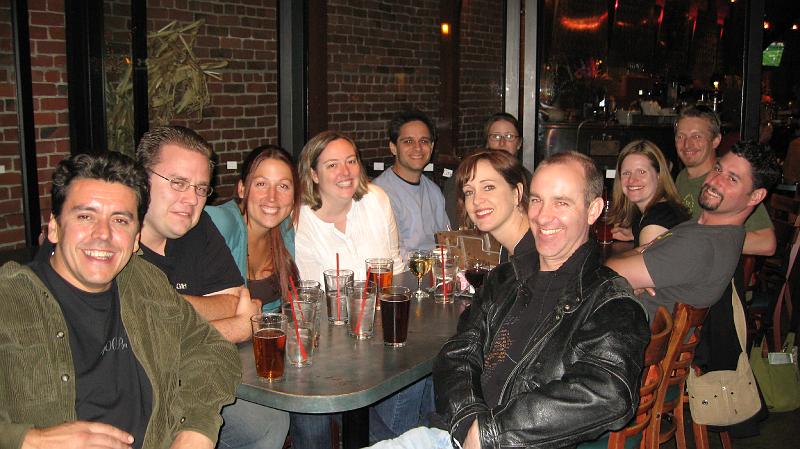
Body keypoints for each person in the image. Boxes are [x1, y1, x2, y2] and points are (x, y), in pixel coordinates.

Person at [369, 151, 650, 449]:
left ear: (593, 210)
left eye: (561, 203)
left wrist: (490, 434)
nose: (543, 216)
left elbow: (608, 392)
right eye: (538, 200)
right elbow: (458, 352)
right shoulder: (504, 279)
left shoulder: (611, 300)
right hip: (455, 435)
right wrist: (470, 423)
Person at [0, 152, 240, 449]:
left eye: (120, 220)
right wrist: (31, 440)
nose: (103, 234)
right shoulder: (10, 299)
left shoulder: (145, 284)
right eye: (86, 216)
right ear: (54, 227)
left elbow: (211, 349)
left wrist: (197, 428)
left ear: (136, 237)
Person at [135, 126, 289, 449]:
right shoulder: (116, 240)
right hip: (141, 387)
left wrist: (167, 311)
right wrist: (236, 327)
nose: (191, 199)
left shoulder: (199, 226)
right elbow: (143, 339)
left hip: (199, 372)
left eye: (201, 188)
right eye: (178, 183)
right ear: (142, 179)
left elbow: (235, 300)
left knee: (269, 421)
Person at [293, 130, 405, 448]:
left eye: (351, 161)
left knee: (417, 379)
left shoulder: (376, 200)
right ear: (313, 174)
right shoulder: (299, 220)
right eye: (332, 165)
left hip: (381, 332)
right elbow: (314, 299)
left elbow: (396, 269)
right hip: (328, 344)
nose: (345, 172)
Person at [607, 141, 781, 320]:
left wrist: (629, 265)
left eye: (732, 179)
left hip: (624, 329)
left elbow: (608, 273)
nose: (715, 181)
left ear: (756, 196)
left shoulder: (700, 243)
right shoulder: (709, 230)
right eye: (717, 169)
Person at [206, 145, 299, 314]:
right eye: (261, 184)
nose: (272, 197)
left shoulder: (285, 229)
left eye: (283, 186)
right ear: (242, 189)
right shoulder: (220, 223)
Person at [673, 106, 776, 256]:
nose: (687, 144)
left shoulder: (729, 184)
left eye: (697, 137)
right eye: (680, 137)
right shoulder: (682, 177)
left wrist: (699, 239)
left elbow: (767, 243)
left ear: (716, 141)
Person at [373, 110, 449, 259]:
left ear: (432, 147)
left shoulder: (434, 191)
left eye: (424, 141)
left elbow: (446, 241)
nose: (418, 148)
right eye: (408, 141)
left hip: (435, 268)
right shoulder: (379, 194)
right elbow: (391, 255)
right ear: (393, 147)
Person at [445, 112, 528, 228]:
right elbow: (455, 222)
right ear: (487, 142)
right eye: (495, 137)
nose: (502, 143)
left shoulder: (528, 179)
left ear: (519, 143)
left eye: (509, 136)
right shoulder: (468, 174)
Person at [454, 150, 532, 263]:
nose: (476, 200)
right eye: (469, 192)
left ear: (517, 193)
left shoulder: (539, 254)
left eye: (488, 187)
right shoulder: (509, 251)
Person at [608, 140, 689, 247]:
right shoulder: (662, 211)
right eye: (626, 173)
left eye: (641, 172)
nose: (632, 180)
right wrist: (635, 234)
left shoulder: (656, 222)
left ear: (659, 175)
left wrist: (647, 232)